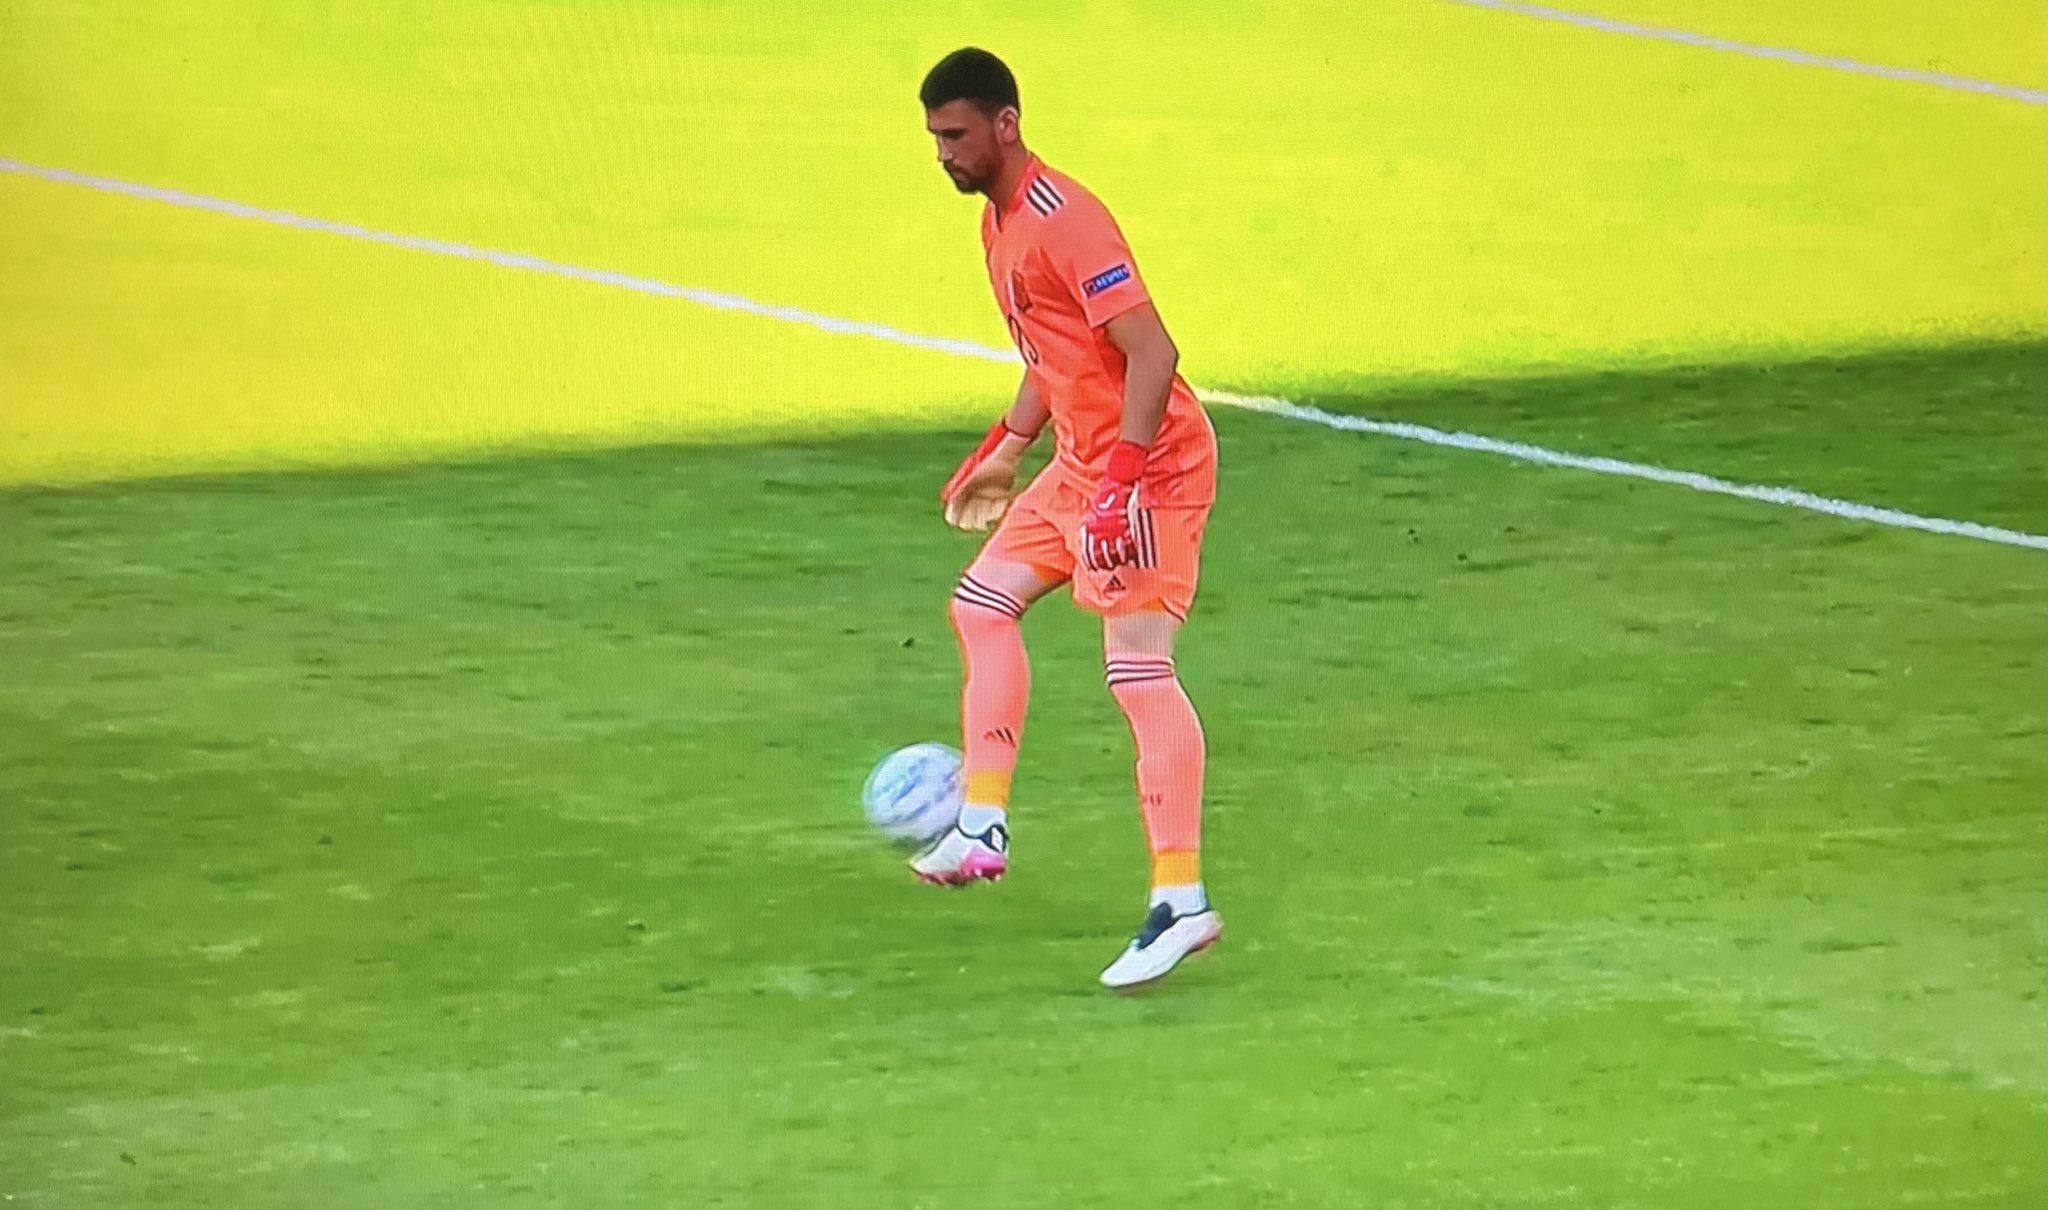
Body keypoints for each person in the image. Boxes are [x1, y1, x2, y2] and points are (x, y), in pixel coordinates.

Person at [913, 47, 1223, 990]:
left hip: (1149, 465)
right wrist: (1010, 445)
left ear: (1005, 125)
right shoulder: (996, 224)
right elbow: (1052, 354)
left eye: (956, 135)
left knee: (1138, 670)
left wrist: (1122, 482)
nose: (944, 155)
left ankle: (1181, 900)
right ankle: (982, 823)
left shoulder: (1066, 219)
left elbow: (1153, 354)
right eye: (934, 139)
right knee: (980, 604)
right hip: (1084, 462)